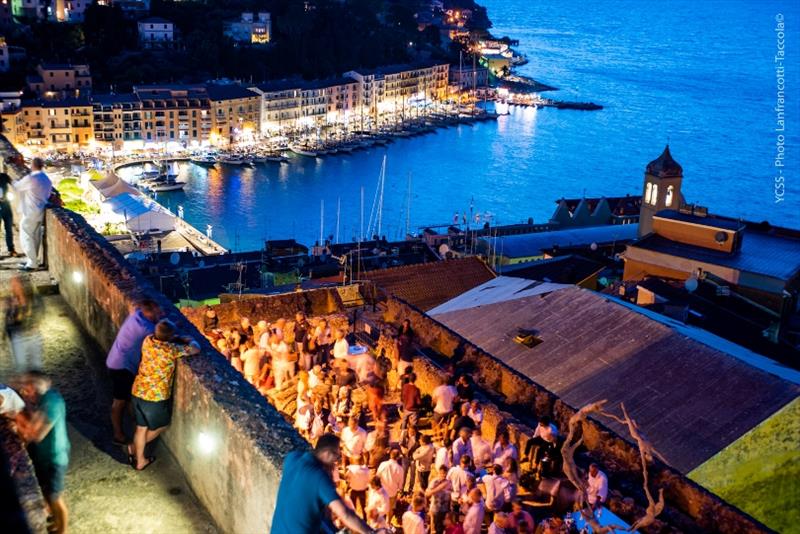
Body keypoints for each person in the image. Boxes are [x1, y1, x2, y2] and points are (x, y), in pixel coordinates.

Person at [128, 319, 200, 471]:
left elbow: (162, 337)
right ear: (170, 337)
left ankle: (140, 459)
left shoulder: (148, 341)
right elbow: (195, 349)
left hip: (138, 389)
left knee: (141, 428)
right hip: (155, 397)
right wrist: (190, 339)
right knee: (161, 426)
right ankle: (135, 449)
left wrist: (171, 336)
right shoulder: (171, 350)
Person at [271, 433, 375, 533]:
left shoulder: (292, 458)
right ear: (327, 454)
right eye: (337, 456)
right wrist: (371, 532)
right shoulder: (320, 478)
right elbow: (345, 514)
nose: (336, 462)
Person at [17, 371, 70, 534]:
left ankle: (62, 530)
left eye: (26, 385)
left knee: (55, 497)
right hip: (43, 456)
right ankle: (55, 520)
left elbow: (36, 434)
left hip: (54, 458)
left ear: (35, 386)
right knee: (47, 492)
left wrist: (16, 417)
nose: (22, 390)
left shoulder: (51, 402)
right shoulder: (42, 398)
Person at [106, 299, 163, 446]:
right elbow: (163, 338)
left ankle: (138, 429)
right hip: (121, 367)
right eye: (158, 310)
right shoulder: (146, 328)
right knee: (119, 402)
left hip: (117, 361)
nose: (161, 313)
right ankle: (118, 435)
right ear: (150, 312)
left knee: (129, 399)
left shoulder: (137, 315)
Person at [13, 157, 52, 271]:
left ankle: (32, 263)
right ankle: (33, 260)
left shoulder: (31, 178)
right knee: (35, 236)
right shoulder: (47, 179)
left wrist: (13, 180)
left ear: (33, 166)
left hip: (30, 211)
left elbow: (17, 186)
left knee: (26, 235)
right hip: (40, 210)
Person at [376, 448, 404, 524]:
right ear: (398, 457)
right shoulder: (400, 469)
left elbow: (377, 476)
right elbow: (400, 484)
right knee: (390, 509)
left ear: (390, 455)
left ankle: (378, 522)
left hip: (382, 490)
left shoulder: (383, 464)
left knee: (380, 507)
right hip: (392, 492)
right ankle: (388, 523)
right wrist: (400, 490)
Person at [426, 465, 451, 534]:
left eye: (445, 473)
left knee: (441, 528)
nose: (443, 475)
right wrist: (437, 489)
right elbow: (427, 494)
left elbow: (450, 496)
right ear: (439, 473)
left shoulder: (449, 483)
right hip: (435, 509)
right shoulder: (434, 482)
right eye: (441, 473)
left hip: (444, 509)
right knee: (433, 529)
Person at [0, 168, 19, 257]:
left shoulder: (4, 176)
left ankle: (11, 249)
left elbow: (15, 184)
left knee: (9, 227)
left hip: (6, 205)